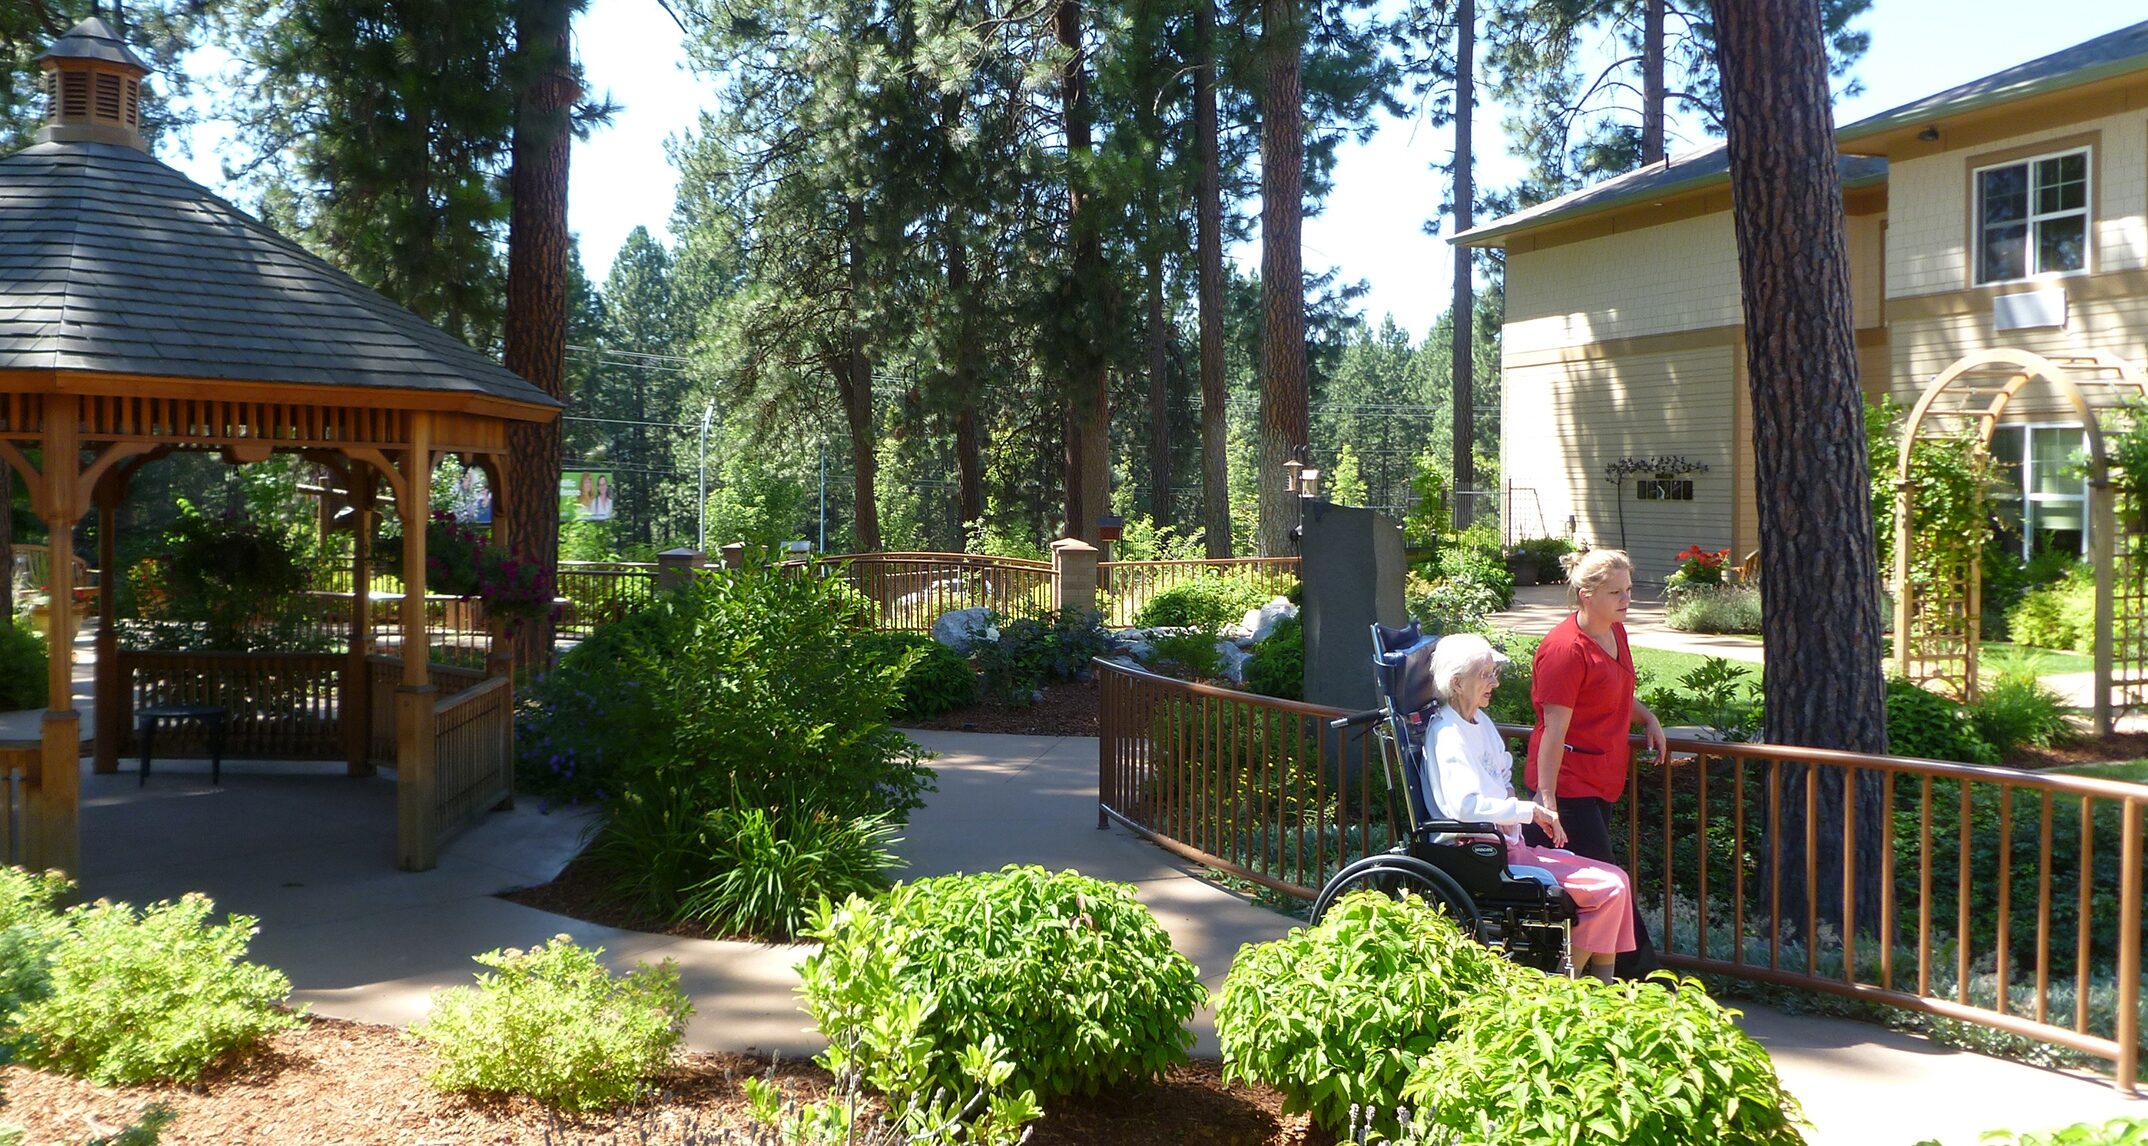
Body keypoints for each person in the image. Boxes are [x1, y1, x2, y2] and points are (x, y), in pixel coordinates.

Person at [1425, 633, 1636, 982]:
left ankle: (1596, 985)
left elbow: (1502, 771)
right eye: (1486, 675)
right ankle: (1581, 987)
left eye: (1494, 673)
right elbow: (1464, 805)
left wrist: (1516, 804)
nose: (1495, 682)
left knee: (1617, 881)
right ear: (1457, 682)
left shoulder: (1479, 721)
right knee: (1610, 888)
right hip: (1483, 855)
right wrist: (1527, 811)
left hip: (1509, 845)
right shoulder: (1448, 734)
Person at [1523, 548, 1666, 978]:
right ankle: (1648, 985)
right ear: (1586, 594)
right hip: (1567, 787)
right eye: (1615, 592)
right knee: (1610, 887)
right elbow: (1553, 730)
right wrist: (1548, 800)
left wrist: (1649, 718)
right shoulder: (1565, 650)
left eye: (1628, 590)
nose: (1627, 599)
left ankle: (1576, 980)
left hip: (1601, 777)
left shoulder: (1614, 632)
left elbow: (1614, 687)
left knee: (1582, 893)